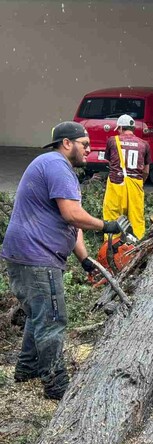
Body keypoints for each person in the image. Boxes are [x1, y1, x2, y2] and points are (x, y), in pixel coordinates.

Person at [1, 122, 126, 400]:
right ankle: (56, 385)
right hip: (37, 257)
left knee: (38, 313)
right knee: (52, 319)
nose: (89, 149)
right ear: (66, 143)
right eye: (85, 144)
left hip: (24, 254)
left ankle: (27, 369)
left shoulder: (53, 166)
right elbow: (72, 214)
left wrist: (84, 260)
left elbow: (70, 224)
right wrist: (107, 225)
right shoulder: (57, 165)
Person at [102, 114, 150, 239]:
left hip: (116, 184)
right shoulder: (144, 144)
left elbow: (110, 163)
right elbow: (146, 171)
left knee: (112, 219)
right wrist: (137, 183)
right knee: (137, 220)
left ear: (121, 128)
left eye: (118, 129)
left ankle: (110, 250)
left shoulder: (112, 141)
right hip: (135, 185)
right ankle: (137, 248)